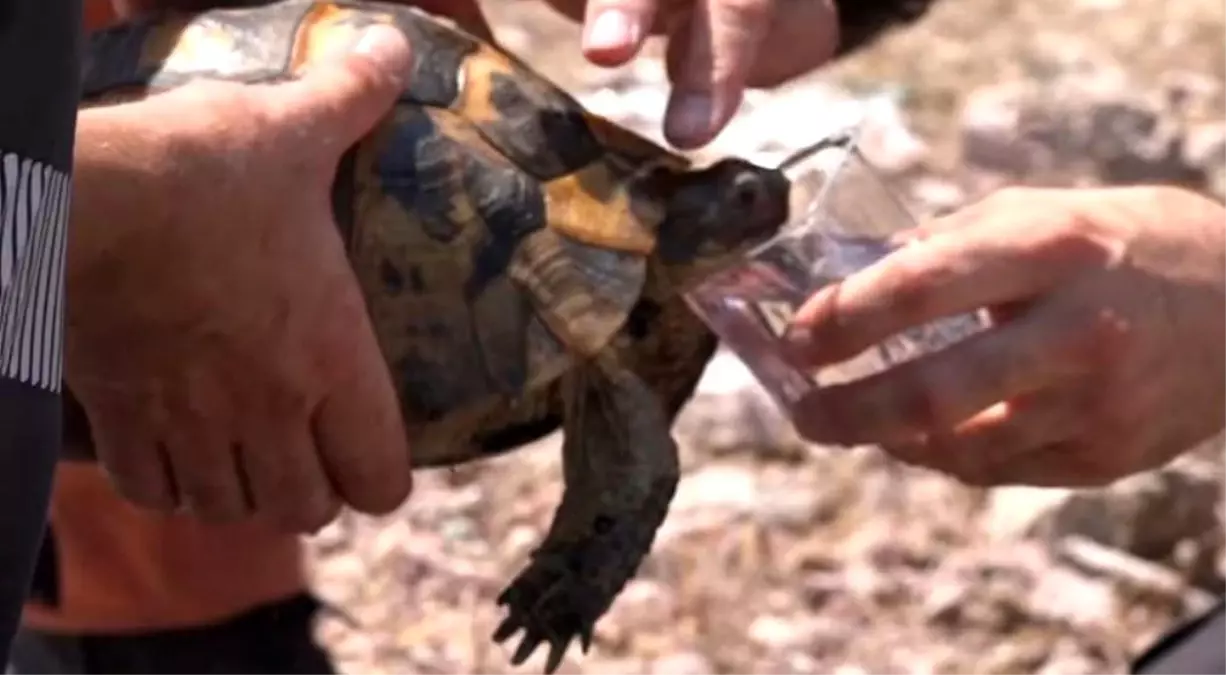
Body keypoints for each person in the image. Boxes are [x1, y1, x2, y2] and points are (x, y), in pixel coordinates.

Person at [3, 0, 864, 672]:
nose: (755, 204)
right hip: (118, 265)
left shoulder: (601, 253)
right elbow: (635, 461)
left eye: (742, 200)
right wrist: (103, 216)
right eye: (737, 201)